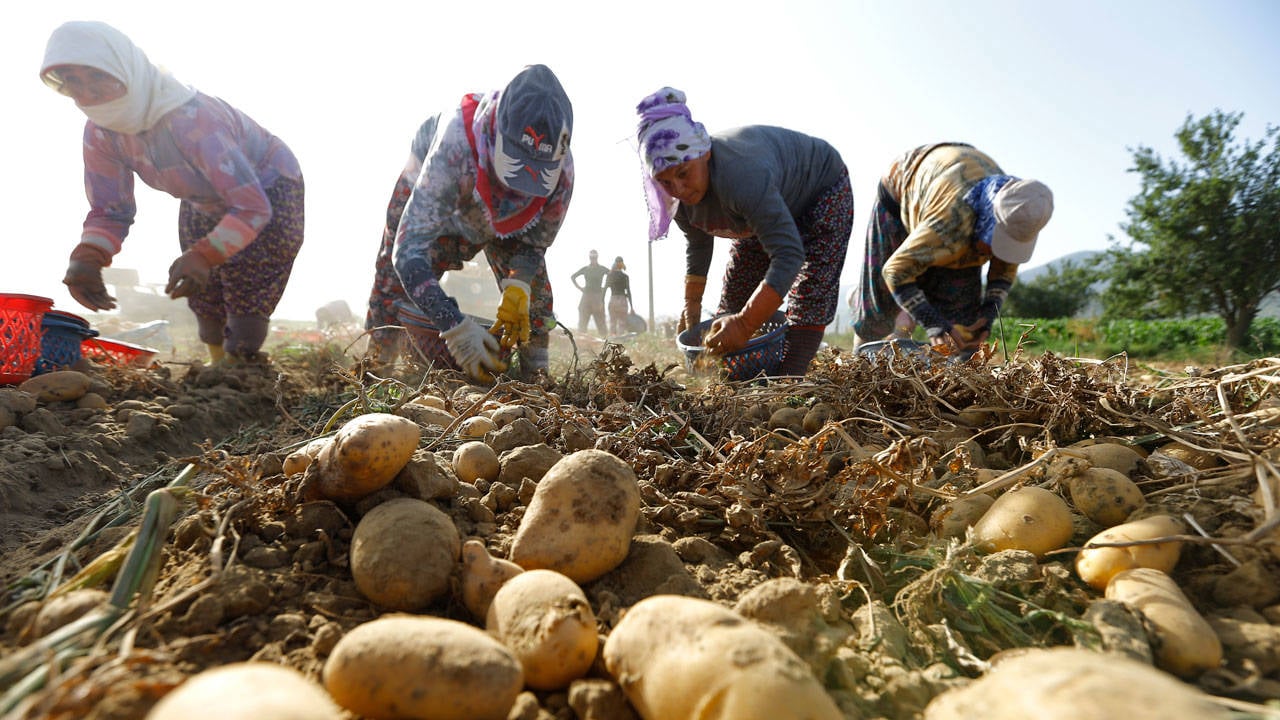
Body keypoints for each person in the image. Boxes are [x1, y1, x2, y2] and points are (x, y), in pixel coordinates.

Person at [41, 21, 304, 364]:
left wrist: (206, 254)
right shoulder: (100, 134)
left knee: (247, 279)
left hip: (269, 187)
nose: (88, 93)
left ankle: (241, 373)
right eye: (73, 81)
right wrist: (88, 257)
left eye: (98, 76)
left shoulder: (191, 121)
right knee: (200, 284)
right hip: (202, 197)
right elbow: (111, 209)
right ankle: (217, 366)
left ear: (125, 69)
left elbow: (252, 207)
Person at [363, 64, 573, 382]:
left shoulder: (562, 174)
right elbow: (408, 251)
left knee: (534, 294)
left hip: (513, 229)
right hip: (447, 198)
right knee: (392, 279)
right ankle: (377, 368)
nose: (516, 191)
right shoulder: (454, 147)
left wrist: (518, 285)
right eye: (515, 174)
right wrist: (454, 325)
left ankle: (537, 379)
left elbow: (534, 244)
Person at [635, 87, 853, 376]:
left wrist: (745, 324)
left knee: (812, 289)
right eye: (665, 181)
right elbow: (698, 243)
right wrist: (692, 302)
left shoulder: (742, 178)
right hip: (758, 211)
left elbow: (788, 255)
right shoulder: (676, 199)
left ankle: (790, 376)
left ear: (705, 152)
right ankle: (733, 374)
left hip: (820, 188)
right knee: (735, 294)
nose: (678, 188)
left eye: (683, 173)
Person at [851, 143, 1054, 353]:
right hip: (902, 188)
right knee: (880, 302)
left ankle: (949, 372)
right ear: (986, 223)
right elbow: (894, 271)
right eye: (995, 243)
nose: (994, 254)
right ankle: (861, 356)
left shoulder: (1018, 214)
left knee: (964, 322)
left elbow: (1004, 269)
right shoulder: (951, 220)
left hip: (953, 197)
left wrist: (987, 314)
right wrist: (933, 323)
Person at [569, 250, 608, 335]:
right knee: (582, 323)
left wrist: (605, 288)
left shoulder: (602, 269)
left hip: (597, 298)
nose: (593, 259)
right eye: (591, 257)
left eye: (594, 257)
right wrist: (580, 288)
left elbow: (612, 275)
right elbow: (573, 277)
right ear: (589, 258)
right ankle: (581, 344)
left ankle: (603, 341)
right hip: (586, 297)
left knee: (601, 323)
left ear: (597, 257)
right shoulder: (586, 269)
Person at [605, 256, 634, 336]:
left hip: (613, 299)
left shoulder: (610, 275)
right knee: (622, 322)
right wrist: (631, 307)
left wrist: (602, 302)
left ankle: (612, 341)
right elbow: (628, 291)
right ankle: (620, 340)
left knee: (612, 322)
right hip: (622, 300)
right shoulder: (625, 277)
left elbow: (604, 289)